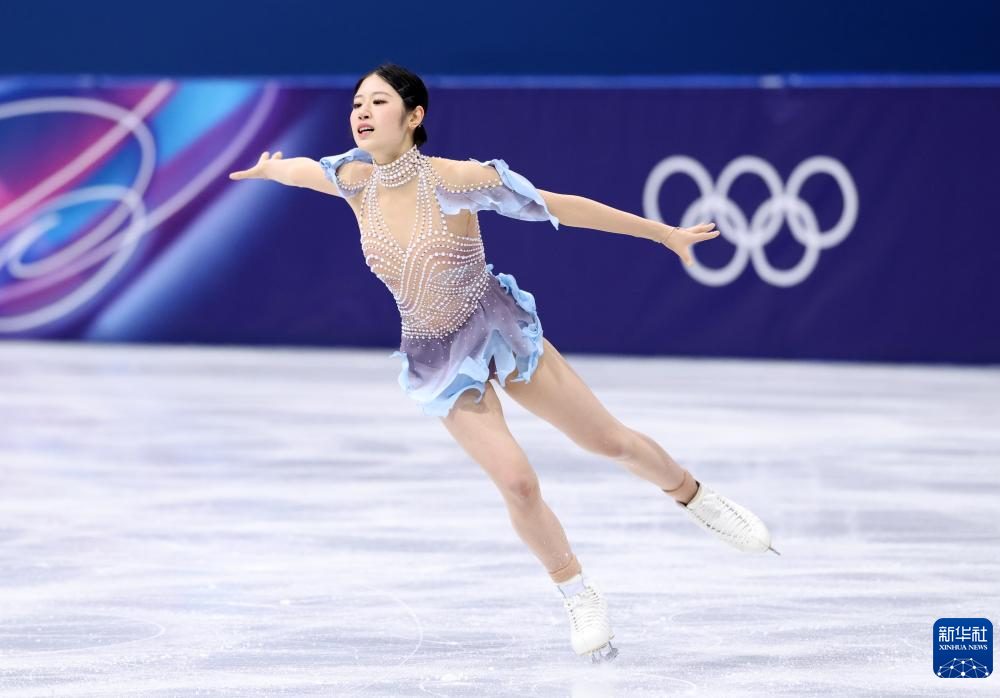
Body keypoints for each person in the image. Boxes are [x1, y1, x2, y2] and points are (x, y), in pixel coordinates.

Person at [228, 62, 779, 664]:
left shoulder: (455, 179)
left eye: (378, 102)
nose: (362, 112)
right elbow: (303, 171)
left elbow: (558, 206)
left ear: (414, 116)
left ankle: (694, 496)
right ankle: (577, 591)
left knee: (609, 442)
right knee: (517, 482)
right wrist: (270, 168)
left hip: (497, 329)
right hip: (436, 355)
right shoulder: (353, 180)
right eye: (357, 102)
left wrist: (662, 233)